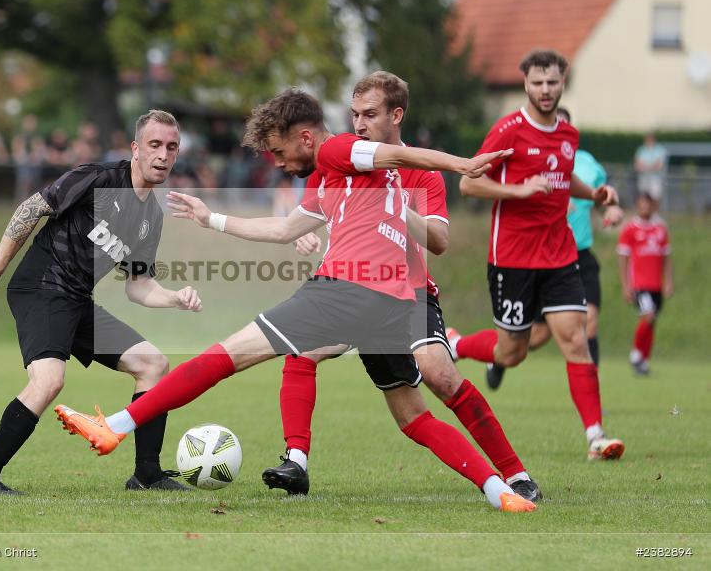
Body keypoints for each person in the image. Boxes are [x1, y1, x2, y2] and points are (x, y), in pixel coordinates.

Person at [54, 88, 535, 512]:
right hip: (390, 302)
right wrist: (212, 219)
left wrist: (461, 164)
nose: (279, 163)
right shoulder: (335, 174)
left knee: (224, 355)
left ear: (306, 137)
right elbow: (285, 229)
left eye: (280, 152)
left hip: (346, 289)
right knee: (413, 416)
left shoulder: (337, 149)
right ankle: (500, 491)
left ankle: (116, 425)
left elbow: (397, 156)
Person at [254, 72, 539, 501]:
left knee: (439, 374)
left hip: (412, 292)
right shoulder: (337, 158)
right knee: (302, 350)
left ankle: (515, 474)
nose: (359, 123)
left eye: (370, 114)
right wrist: (303, 236)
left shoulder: (422, 175)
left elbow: (439, 241)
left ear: (396, 115)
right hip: (354, 288)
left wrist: (394, 206)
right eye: (354, 114)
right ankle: (296, 461)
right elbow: (307, 218)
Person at [0, 110, 202, 495]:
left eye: (171, 147)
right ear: (136, 148)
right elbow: (31, 208)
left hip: (77, 300)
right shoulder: (99, 178)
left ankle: (147, 475)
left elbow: (138, 286)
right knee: (49, 380)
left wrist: (174, 297)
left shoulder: (150, 217)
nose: (163, 155)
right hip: (41, 286)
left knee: (153, 364)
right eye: (154, 145)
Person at [447, 49, 625, 461]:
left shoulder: (568, 134)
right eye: (537, 82)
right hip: (512, 257)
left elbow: (563, 176)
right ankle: (457, 343)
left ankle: (596, 437)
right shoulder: (508, 131)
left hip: (559, 254)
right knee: (513, 352)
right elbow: (469, 184)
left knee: (575, 338)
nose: (545, 90)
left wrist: (594, 193)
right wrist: (519, 190)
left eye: (552, 82)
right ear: (525, 83)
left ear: (563, 82)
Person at [479, 107, 624, 389]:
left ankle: (592, 391)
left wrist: (612, 209)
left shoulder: (588, 164)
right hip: (541, 256)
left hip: (579, 254)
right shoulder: (530, 155)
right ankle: (499, 356)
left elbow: (600, 197)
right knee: (535, 337)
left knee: (589, 321)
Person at [617, 192, 672, 376]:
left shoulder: (660, 228)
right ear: (637, 206)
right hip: (639, 284)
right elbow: (623, 258)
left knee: (651, 321)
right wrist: (625, 285)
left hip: (657, 284)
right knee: (647, 316)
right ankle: (635, 354)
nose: (645, 207)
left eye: (648, 204)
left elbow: (667, 258)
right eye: (641, 204)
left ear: (652, 206)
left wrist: (668, 282)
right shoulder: (630, 229)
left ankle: (644, 361)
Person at [12, 114, 46, 201]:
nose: (30, 125)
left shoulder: (38, 138)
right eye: (28, 123)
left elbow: (42, 152)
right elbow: (16, 153)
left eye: (32, 123)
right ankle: (23, 198)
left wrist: (36, 154)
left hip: (35, 166)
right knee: (25, 175)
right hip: (24, 165)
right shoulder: (19, 137)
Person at [633, 132, 667, 201]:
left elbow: (659, 166)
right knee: (643, 197)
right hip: (643, 178)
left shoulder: (660, 149)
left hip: (655, 178)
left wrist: (645, 167)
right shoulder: (641, 149)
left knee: (655, 198)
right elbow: (636, 165)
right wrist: (651, 167)